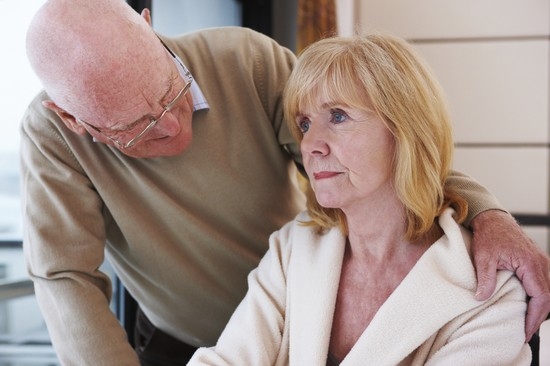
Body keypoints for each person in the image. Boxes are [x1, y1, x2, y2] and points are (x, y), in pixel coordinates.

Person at [20, 0, 548, 365]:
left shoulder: (247, 62)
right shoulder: (291, 256)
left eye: (171, 91)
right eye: (136, 128)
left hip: (291, 320)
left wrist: (486, 212)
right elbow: (65, 277)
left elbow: (382, 160)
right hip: (184, 339)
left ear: (149, 24)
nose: (174, 126)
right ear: (73, 120)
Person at [188, 33, 533, 365]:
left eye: (337, 116)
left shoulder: (490, 288)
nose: (310, 144)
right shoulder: (292, 249)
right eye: (305, 123)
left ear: (405, 130)